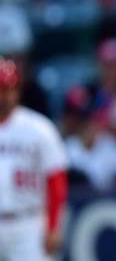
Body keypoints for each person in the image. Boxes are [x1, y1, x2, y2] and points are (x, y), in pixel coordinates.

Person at [0, 59, 68, 260]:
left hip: (27, 221)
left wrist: (54, 226)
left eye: (8, 89)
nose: (4, 96)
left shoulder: (38, 128)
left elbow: (56, 179)